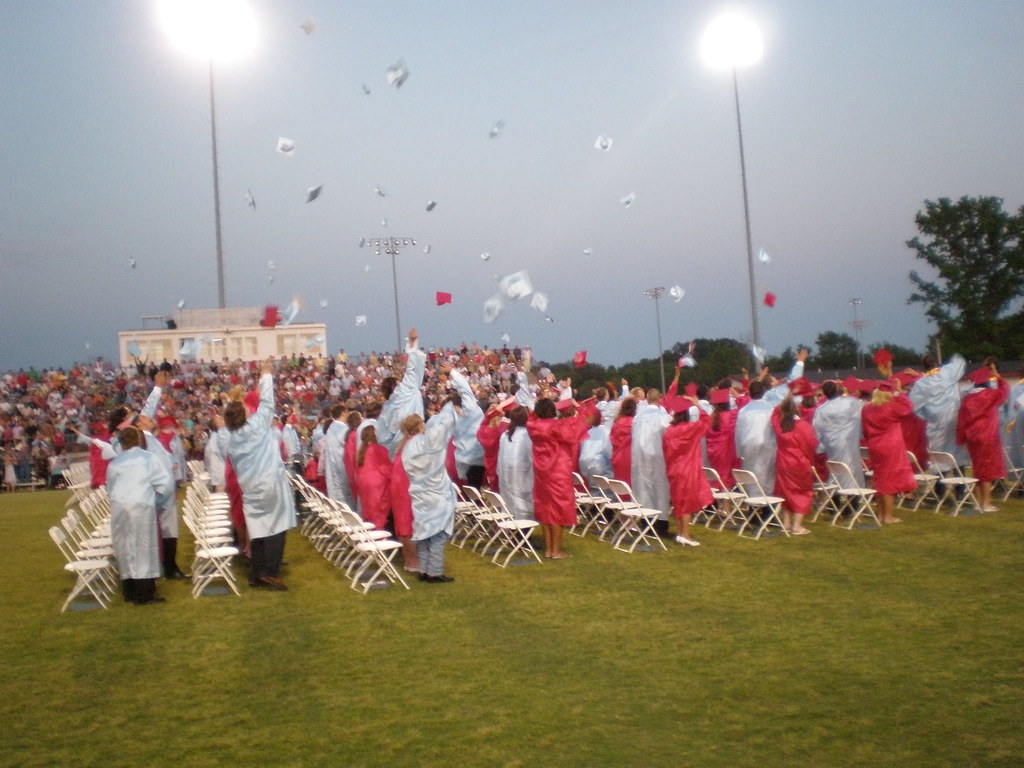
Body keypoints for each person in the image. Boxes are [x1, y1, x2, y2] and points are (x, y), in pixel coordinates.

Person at [225, 357, 297, 590]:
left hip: (250, 488)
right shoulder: (255, 427)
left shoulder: (232, 441)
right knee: (277, 526)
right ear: (245, 415)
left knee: (257, 529)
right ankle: (270, 571)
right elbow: (267, 404)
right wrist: (265, 374)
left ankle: (256, 573)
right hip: (269, 484)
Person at [397, 384, 461, 583]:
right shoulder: (425, 444)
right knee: (438, 535)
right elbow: (441, 432)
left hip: (419, 494)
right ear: (421, 426)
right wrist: (451, 410)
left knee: (424, 534)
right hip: (435, 494)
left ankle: (425, 570)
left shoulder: (406, 448)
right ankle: (434, 571)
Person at [106, 426, 175, 605]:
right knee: (143, 546)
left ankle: (128, 588)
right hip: (141, 504)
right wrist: (156, 501)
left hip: (119, 504)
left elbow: (110, 487)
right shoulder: (148, 458)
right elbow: (165, 484)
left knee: (124, 545)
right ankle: (144, 592)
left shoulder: (114, 462)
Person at [527, 387, 589, 558]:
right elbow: (576, 430)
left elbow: (531, 416)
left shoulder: (533, 426)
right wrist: (579, 408)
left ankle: (548, 550)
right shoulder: (557, 426)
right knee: (559, 511)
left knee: (545, 509)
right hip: (557, 472)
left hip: (541, 472)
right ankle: (556, 550)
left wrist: (542, 404)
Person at [861, 382, 917, 524]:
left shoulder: (867, 408)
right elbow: (908, 408)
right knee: (889, 482)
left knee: (880, 479)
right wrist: (899, 392)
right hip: (890, 447)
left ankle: (881, 514)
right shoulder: (891, 407)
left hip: (875, 446)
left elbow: (865, 429)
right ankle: (888, 516)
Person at [956, 363, 1009, 512]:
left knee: (977, 470)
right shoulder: (991, 395)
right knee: (987, 471)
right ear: (987, 382)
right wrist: (998, 377)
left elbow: (961, 421)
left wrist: (962, 439)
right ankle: (986, 504)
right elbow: (1004, 392)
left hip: (973, 438)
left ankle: (978, 502)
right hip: (988, 437)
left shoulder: (967, 400)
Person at [662, 397, 712, 546]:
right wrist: (698, 405)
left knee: (679, 502)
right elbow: (707, 422)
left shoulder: (668, 431)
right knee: (686, 503)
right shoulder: (690, 428)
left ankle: (680, 533)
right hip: (687, 469)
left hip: (673, 469)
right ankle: (685, 535)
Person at [909, 353, 966, 470]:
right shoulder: (948, 372)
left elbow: (913, 406)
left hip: (936, 423)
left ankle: (940, 486)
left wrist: (928, 415)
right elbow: (960, 362)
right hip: (954, 420)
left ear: (924, 367)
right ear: (935, 363)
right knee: (956, 455)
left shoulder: (921, 384)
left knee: (939, 458)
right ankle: (961, 486)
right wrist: (953, 357)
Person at [771, 395, 818, 534]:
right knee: (802, 492)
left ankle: (786, 523)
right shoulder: (803, 426)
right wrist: (810, 461)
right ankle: (796, 526)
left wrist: (785, 403)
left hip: (782, 463)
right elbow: (811, 445)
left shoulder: (780, 425)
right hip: (799, 462)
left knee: (785, 491)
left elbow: (774, 413)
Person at [631, 388, 672, 533]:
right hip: (657, 454)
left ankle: (645, 519)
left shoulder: (638, 417)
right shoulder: (663, 417)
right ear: (660, 399)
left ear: (647, 399)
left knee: (644, 487)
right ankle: (660, 522)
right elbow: (669, 435)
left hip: (639, 456)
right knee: (660, 487)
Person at [812, 380, 865, 486]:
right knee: (851, 472)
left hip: (832, 444)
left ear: (824, 393)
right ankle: (852, 500)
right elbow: (862, 412)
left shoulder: (821, 410)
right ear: (836, 389)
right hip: (850, 442)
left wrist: (821, 447)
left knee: (836, 472)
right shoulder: (852, 402)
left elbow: (817, 430)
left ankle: (836, 497)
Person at [497, 405, 534, 520]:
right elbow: (531, 457)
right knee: (522, 504)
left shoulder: (505, 435)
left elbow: (499, 458)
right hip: (521, 477)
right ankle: (521, 530)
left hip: (506, 477)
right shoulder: (527, 435)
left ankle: (515, 529)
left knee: (511, 503)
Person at [356, 424, 392, 530]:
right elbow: (387, 469)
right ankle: (379, 535)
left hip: (363, 483)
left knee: (368, 510)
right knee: (378, 513)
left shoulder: (362, 451)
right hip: (377, 485)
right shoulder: (379, 449)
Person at [610, 397, 637, 485]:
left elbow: (612, 439)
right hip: (631, 458)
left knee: (621, 488)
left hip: (617, 457)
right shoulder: (634, 423)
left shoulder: (616, 423)